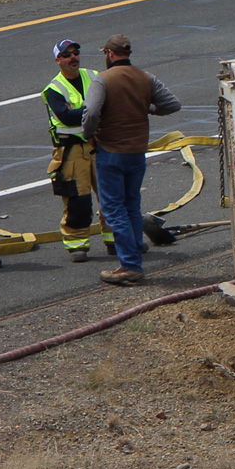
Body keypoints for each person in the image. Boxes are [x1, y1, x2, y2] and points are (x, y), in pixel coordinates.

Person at [82, 34, 180, 287]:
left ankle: (130, 266)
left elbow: (91, 112)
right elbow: (172, 105)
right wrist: (146, 108)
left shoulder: (102, 80)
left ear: (110, 54)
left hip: (111, 151)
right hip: (137, 152)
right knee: (131, 204)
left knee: (114, 209)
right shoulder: (146, 78)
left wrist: (89, 135)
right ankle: (136, 248)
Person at [43, 39, 113, 262]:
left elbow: (110, 100)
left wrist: (91, 111)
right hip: (73, 151)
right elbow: (66, 116)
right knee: (78, 200)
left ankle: (116, 240)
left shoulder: (94, 76)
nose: (73, 57)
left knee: (111, 195)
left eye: (76, 53)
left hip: (100, 144)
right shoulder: (54, 89)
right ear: (58, 60)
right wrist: (95, 110)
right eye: (67, 55)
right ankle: (77, 245)